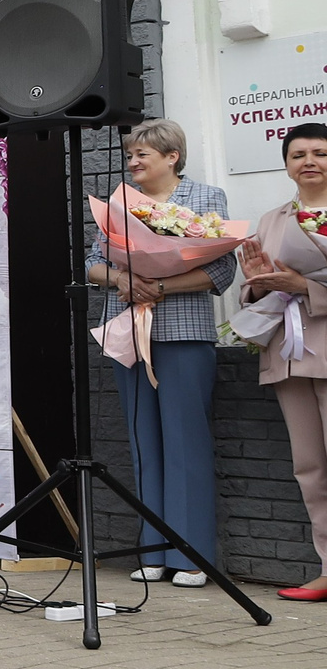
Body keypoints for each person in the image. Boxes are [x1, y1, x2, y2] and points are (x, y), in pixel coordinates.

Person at [86, 117, 235, 585]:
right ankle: (152, 550)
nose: (132, 163)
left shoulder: (205, 198)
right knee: (143, 441)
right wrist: (122, 278)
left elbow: (221, 270)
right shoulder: (117, 204)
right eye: (129, 156)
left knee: (185, 440)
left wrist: (161, 287)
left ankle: (189, 556)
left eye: (141, 155)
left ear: (172, 156)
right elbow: (93, 264)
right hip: (129, 331)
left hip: (183, 333)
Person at [236, 122, 327, 600]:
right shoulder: (271, 218)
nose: (308, 161)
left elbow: (302, 283)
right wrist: (257, 280)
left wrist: (306, 288)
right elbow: (251, 288)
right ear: (287, 163)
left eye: (319, 152)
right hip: (290, 354)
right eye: (298, 154)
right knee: (309, 466)